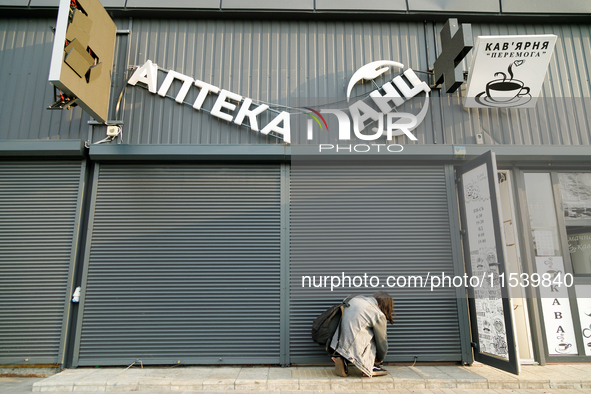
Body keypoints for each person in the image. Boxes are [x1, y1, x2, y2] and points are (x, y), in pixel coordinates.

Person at [329, 291, 395, 378]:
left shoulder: (352, 298)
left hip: (336, 343)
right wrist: (380, 359)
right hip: (355, 348)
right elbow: (382, 342)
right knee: (375, 334)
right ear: (385, 306)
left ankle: (342, 358)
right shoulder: (377, 314)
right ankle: (368, 366)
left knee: (358, 327)